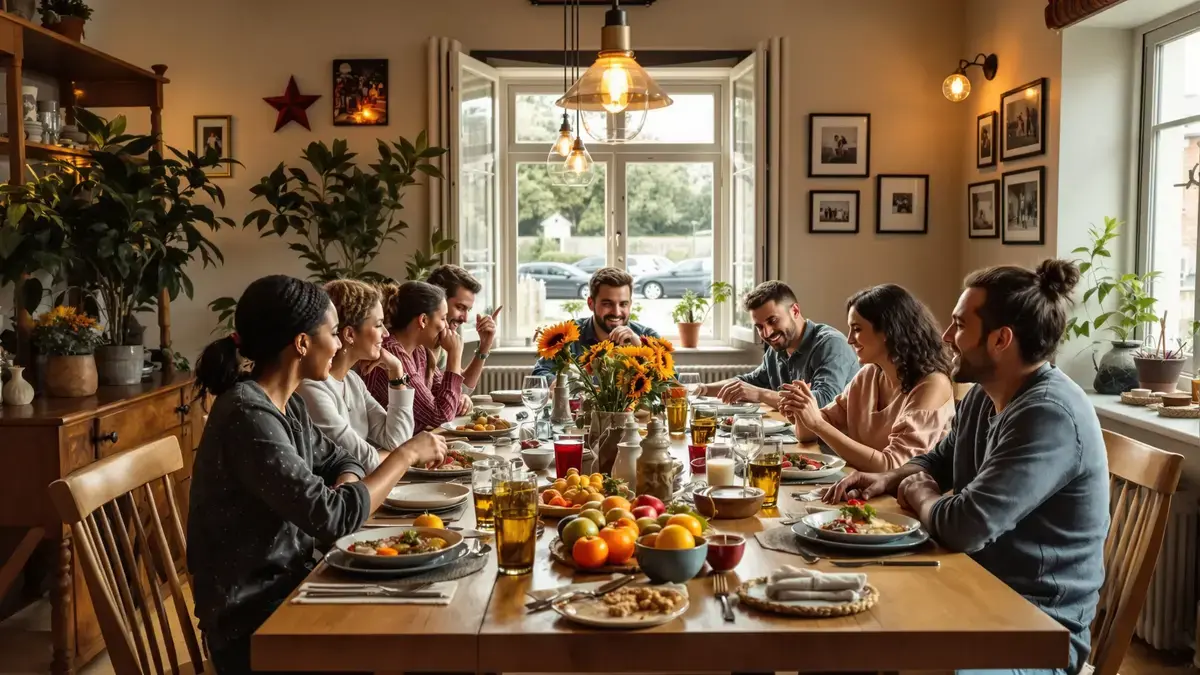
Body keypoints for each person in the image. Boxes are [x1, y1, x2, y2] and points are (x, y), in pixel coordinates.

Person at [825, 260, 1109, 675]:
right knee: (842, 629)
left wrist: (920, 493)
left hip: (1033, 630)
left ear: (1001, 339)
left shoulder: (1047, 415)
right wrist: (888, 478)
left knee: (868, 641)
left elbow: (965, 525)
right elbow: (938, 460)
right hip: (971, 592)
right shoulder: (984, 394)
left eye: (959, 325)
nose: (944, 337)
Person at [188, 275, 446, 674]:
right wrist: (406, 455)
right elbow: (333, 519)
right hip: (255, 625)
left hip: (294, 588)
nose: (341, 343)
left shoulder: (285, 405)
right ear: (302, 343)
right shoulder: (248, 414)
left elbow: (342, 460)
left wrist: (345, 486)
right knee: (430, 647)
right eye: (332, 332)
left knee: (430, 617)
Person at [779, 284, 954, 471]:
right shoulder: (868, 375)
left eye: (857, 329)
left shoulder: (932, 385)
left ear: (888, 330)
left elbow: (893, 466)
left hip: (903, 497)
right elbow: (808, 435)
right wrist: (801, 411)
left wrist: (817, 423)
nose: (849, 339)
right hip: (864, 490)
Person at [297, 279, 413, 474]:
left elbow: (397, 440)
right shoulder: (311, 388)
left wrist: (397, 372)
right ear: (350, 334)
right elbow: (365, 462)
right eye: (378, 325)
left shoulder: (353, 381)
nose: (385, 333)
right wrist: (406, 454)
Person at [700, 280, 858, 410]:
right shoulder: (776, 349)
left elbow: (824, 401)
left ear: (795, 311)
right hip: (798, 436)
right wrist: (701, 389)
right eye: (759, 327)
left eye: (772, 320)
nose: (767, 333)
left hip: (832, 444)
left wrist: (760, 395)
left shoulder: (831, 344)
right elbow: (747, 383)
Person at [363, 280, 464, 432]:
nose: (446, 327)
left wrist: (460, 399)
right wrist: (454, 355)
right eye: (443, 318)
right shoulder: (391, 352)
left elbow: (444, 399)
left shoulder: (420, 351)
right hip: (388, 450)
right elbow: (441, 415)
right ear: (423, 320)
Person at [531, 267, 659, 379]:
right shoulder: (568, 335)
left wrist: (641, 350)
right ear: (591, 304)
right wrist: (554, 384)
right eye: (607, 304)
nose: (616, 312)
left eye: (623, 304)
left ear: (630, 304)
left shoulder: (647, 336)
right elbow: (540, 372)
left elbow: (674, 386)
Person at [425, 264, 502, 412]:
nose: (465, 319)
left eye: (468, 310)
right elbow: (440, 407)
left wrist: (484, 346)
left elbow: (460, 388)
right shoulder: (418, 343)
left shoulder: (442, 340)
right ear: (437, 301)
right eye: (460, 307)